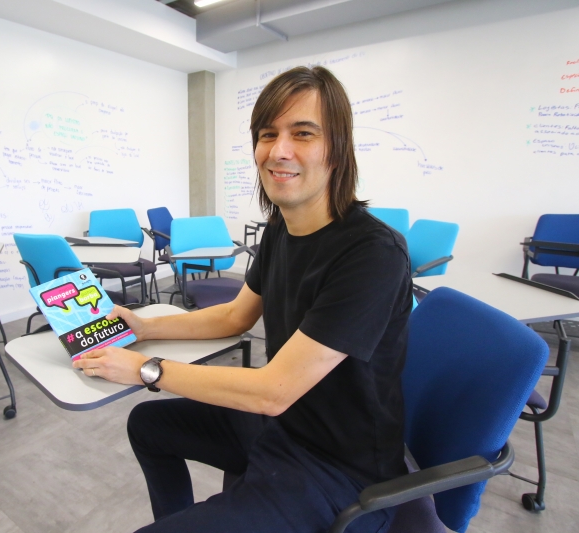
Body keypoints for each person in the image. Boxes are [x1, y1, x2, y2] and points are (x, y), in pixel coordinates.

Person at [72, 65, 413, 533]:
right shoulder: (281, 229)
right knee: (147, 425)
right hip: (283, 428)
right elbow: (234, 316)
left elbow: (273, 391)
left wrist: (146, 369)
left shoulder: (372, 254)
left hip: (340, 469)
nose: (279, 150)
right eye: (267, 134)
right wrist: (144, 326)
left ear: (337, 148)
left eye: (303, 133)